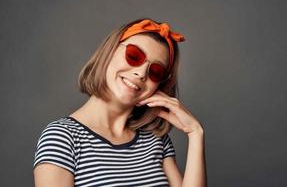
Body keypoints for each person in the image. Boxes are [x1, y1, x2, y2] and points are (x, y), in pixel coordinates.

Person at [33, 18, 207, 187]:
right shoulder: (62, 138)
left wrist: (195, 133)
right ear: (109, 52)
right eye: (134, 55)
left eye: (156, 71)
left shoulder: (156, 140)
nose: (141, 73)